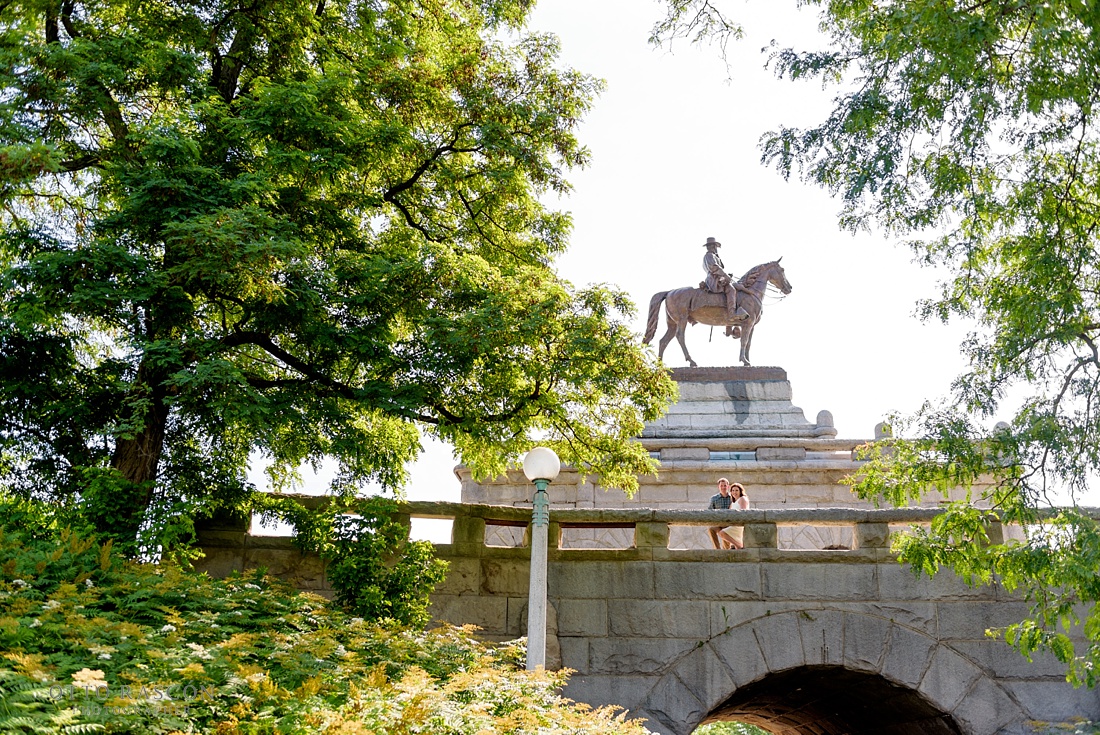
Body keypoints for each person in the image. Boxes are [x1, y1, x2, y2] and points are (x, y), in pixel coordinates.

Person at [701, 237, 750, 337]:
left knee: (734, 285)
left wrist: (727, 276)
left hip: (716, 278)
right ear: (712, 246)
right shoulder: (709, 256)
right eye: (713, 246)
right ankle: (732, 314)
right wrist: (725, 276)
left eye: (714, 246)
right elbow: (714, 268)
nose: (714, 248)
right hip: (713, 280)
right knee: (731, 290)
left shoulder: (714, 256)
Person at [716, 482, 750, 550]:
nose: (735, 492)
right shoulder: (733, 503)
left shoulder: (742, 499)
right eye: (733, 490)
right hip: (733, 523)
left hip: (739, 524)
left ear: (740, 491)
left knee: (722, 533)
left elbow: (744, 512)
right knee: (715, 529)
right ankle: (733, 546)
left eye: (737, 490)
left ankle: (738, 545)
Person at [707, 478, 734, 549]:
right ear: (718, 487)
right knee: (711, 529)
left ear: (728, 486)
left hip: (728, 523)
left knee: (725, 533)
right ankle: (717, 549)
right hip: (718, 523)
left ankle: (726, 551)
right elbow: (710, 511)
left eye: (725, 485)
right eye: (721, 486)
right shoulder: (714, 498)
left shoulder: (732, 497)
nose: (723, 487)